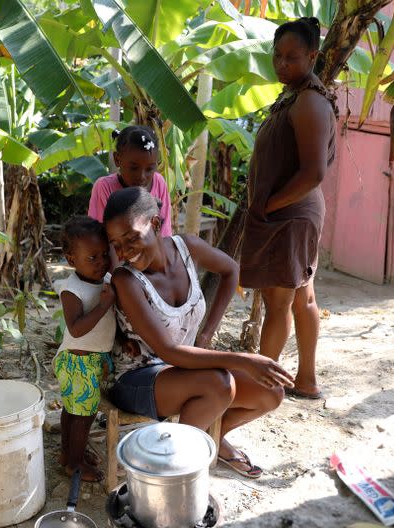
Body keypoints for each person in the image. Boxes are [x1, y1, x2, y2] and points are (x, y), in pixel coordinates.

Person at [104, 187, 293, 479]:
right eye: (116, 244)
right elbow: (168, 352)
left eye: (130, 237)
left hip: (182, 370)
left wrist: (206, 336)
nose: (124, 252)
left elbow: (231, 270)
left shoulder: (186, 247)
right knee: (218, 384)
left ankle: (212, 438)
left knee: (271, 391)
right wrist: (243, 360)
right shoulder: (127, 280)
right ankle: (173, 470)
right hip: (136, 379)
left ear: (155, 224)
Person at [240, 17, 338, 400]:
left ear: (312, 56)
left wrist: (267, 206)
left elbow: (313, 172)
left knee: (279, 302)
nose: (282, 64)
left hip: (291, 214)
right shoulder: (297, 95)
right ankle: (305, 380)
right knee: (302, 297)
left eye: (293, 57)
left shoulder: (310, 102)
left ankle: (261, 386)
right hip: (293, 213)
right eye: (277, 56)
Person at [53, 216, 116, 482]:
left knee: (72, 410)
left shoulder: (106, 280)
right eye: (92, 258)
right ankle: (75, 464)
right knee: (83, 416)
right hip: (76, 363)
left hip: (90, 361)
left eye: (104, 254)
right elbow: (76, 329)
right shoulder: (72, 290)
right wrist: (103, 305)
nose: (101, 261)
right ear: (71, 260)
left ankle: (69, 454)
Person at [88, 125, 173, 237]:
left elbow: (165, 234)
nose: (142, 176)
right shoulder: (104, 187)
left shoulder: (159, 182)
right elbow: (100, 237)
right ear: (117, 159)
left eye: (149, 169)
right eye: (134, 168)